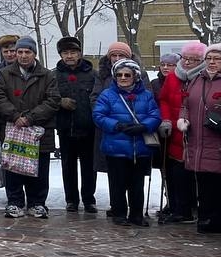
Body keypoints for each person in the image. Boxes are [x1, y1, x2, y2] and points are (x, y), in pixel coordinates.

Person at [0, 36, 61, 218]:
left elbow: (53, 100)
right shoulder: (5, 74)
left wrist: (30, 118)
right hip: (13, 128)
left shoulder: (47, 75)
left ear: (34, 54)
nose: (23, 55)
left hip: (39, 130)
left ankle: (37, 203)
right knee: (13, 168)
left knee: (39, 169)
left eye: (27, 52)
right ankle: (14, 202)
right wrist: (15, 116)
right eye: (20, 52)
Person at [93, 59, 161, 227]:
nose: (123, 78)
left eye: (127, 75)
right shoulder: (107, 95)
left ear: (135, 76)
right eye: (119, 75)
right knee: (117, 184)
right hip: (115, 147)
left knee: (137, 184)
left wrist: (144, 126)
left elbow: (155, 115)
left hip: (139, 148)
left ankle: (136, 215)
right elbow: (98, 115)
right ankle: (119, 214)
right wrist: (116, 125)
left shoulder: (146, 95)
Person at [156, 43, 205, 223]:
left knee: (197, 174)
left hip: (198, 133)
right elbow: (164, 100)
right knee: (176, 173)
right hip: (175, 133)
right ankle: (179, 208)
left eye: (194, 59)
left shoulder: (204, 78)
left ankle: (196, 208)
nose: (188, 62)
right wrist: (166, 119)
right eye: (185, 58)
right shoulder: (172, 78)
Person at [177, 43, 221, 234]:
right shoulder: (196, 80)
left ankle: (216, 220)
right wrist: (183, 118)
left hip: (216, 140)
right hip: (198, 141)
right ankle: (205, 218)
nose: (212, 62)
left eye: (217, 59)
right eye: (209, 58)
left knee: (217, 183)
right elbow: (185, 104)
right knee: (203, 182)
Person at [54, 36, 98, 213]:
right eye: (65, 52)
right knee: (68, 166)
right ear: (61, 55)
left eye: (73, 52)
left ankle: (89, 199)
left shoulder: (92, 74)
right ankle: (71, 199)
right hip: (65, 127)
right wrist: (59, 102)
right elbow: (48, 96)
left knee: (89, 166)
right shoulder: (54, 75)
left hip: (88, 127)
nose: (69, 56)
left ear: (79, 53)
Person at [91, 40, 135, 218]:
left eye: (121, 55)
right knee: (114, 172)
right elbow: (95, 99)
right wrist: (109, 120)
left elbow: (146, 99)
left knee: (133, 172)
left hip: (133, 131)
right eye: (113, 55)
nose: (117, 58)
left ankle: (135, 208)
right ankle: (117, 206)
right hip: (111, 130)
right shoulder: (102, 75)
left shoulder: (139, 73)